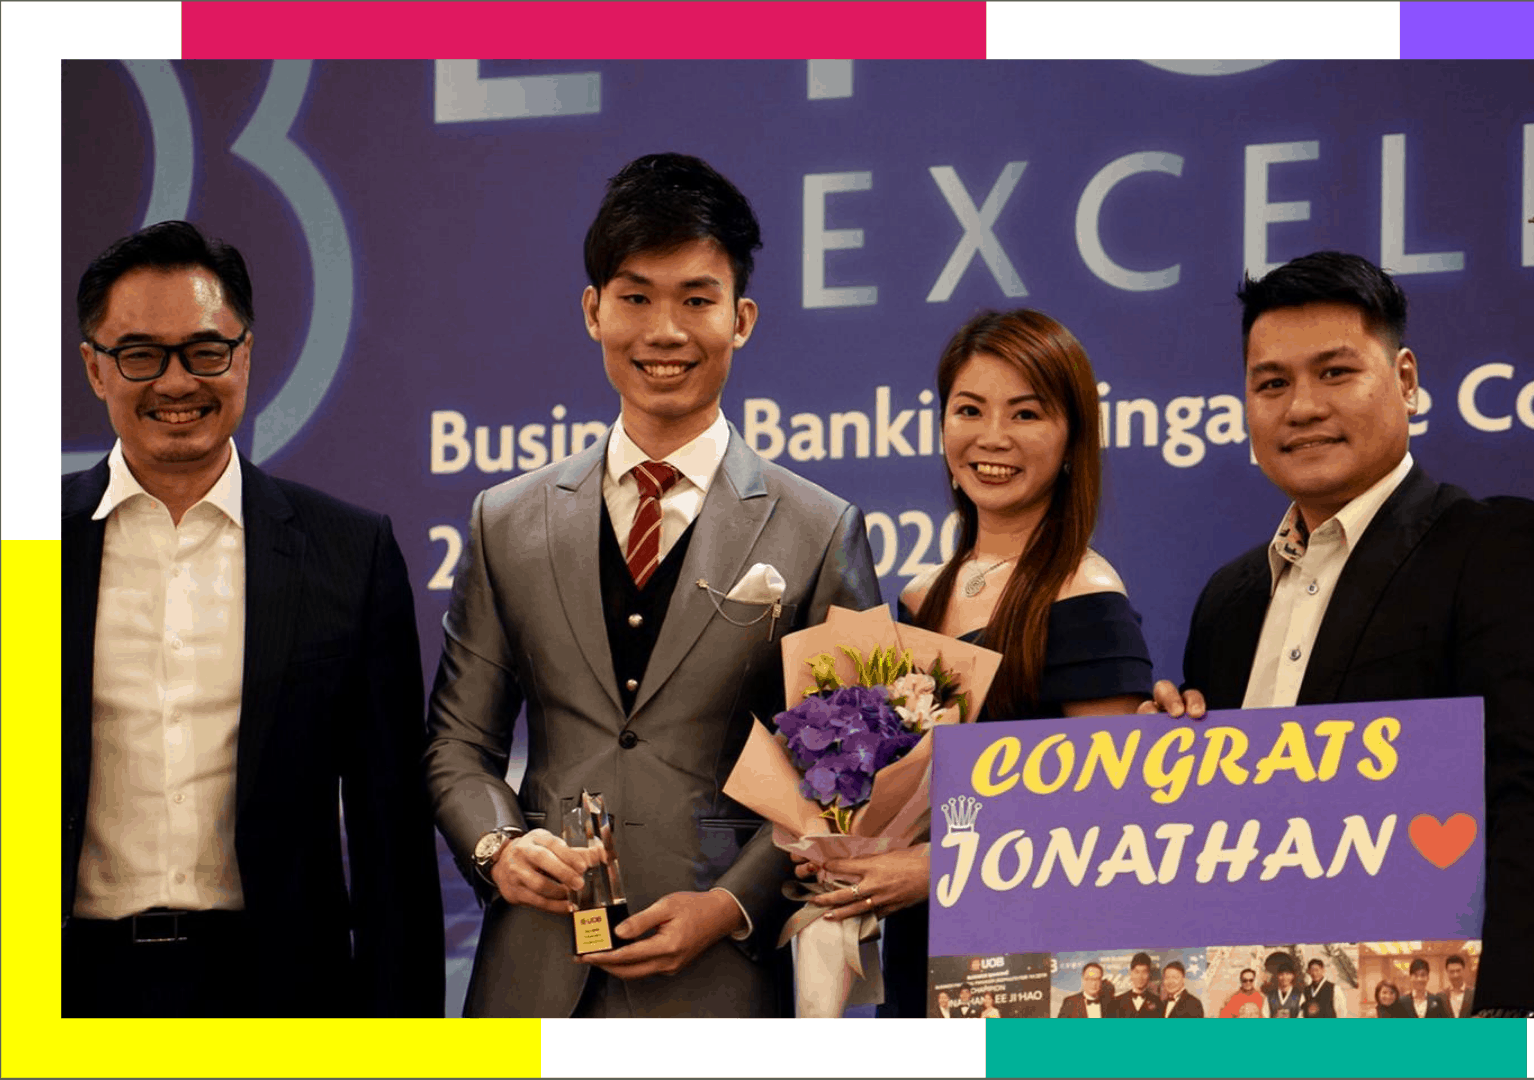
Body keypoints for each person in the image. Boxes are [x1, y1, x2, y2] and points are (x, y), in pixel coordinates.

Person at [424, 152, 881, 1018]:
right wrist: (499, 847)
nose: (664, 332)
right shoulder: (506, 520)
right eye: (635, 298)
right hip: (531, 975)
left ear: (741, 319)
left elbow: (850, 772)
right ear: (593, 310)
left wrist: (733, 904)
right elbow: (456, 743)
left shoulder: (821, 529)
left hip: (722, 981)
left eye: (696, 300)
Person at [1145, 251, 1534, 1018]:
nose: (1302, 407)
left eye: (1334, 373)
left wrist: (1504, 1030)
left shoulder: (1491, 547)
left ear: (1406, 379)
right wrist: (1155, 770)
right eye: (1271, 384)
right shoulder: (1227, 600)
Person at [61, 221, 444, 1017]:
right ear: (95, 368)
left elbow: (391, 837)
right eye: (140, 355)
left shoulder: (349, 552)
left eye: (205, 351)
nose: (176, 382)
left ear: (245, 354)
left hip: (279, 992)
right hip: (65, 991)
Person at [799, 309, 1154, 1016]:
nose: (992, 437)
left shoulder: (1088, 596)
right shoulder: (920, 595)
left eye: (1026, 413)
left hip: (1032, 972)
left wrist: (933, 869)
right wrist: (843, 840)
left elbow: (1107, 820)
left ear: (1072, 438)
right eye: (969, 410)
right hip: (921, 953)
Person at [1111, 951, 1163, 1018]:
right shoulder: (1117, 1002)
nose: (1140, 977)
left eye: (1144, 972)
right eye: (1137, 972)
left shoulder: (1158, 1003)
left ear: (1149, 974)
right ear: (1131, 974)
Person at [1443, 954, 1476, 1020]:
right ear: (1447, 972)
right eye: (1452, 972)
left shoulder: (1474, 994)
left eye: (1458, 971)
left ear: (1464, 970)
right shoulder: (1441, 996)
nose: (1455, 975)